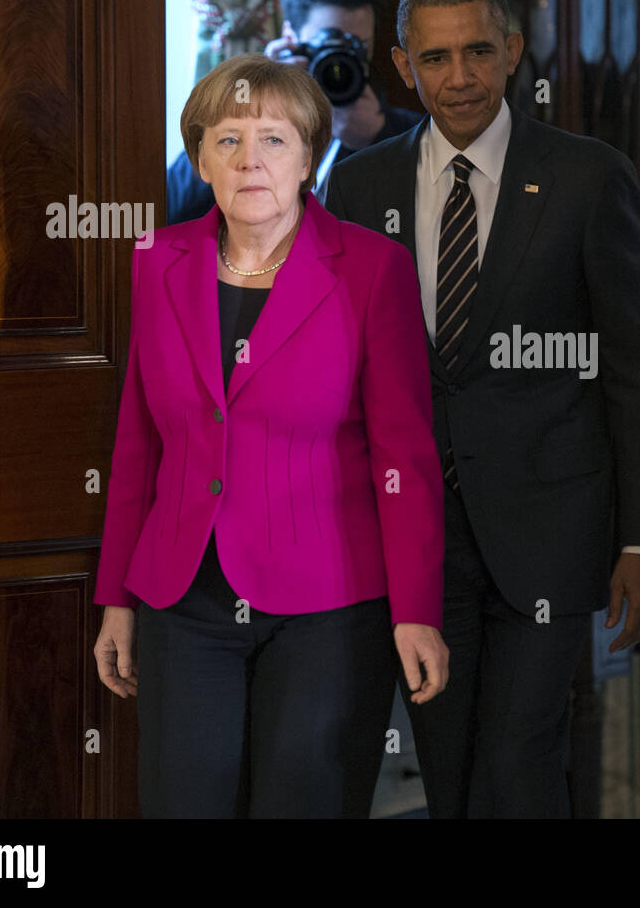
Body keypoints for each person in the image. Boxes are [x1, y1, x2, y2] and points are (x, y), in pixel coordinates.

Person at [324, 0, 640, 819]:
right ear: (402, 65)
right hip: (421, 539)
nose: (458, 76)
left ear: (511, 51)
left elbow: (628, 371)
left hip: (551, 529)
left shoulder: (587, 177)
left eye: (476, 51)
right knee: (449, 764)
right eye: (435, 58)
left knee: (521, 760)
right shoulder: (356, 188)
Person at [93, 54, 448, 818]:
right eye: (228, 140)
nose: (250, 159)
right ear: (198, 158)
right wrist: (116, 597)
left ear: (310, 157)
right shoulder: (157, 263)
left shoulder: (373, 270)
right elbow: (137, 444)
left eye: (274, 139)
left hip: (328, 607)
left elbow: (405, 455)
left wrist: (416, 609)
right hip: (181, 599)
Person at [167, 0, 423, 223]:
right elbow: (173, 206)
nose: (339, 61)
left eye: (357, 46)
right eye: (327, 43)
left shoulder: (406, 134)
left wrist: (379, 141)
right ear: (290, 38)